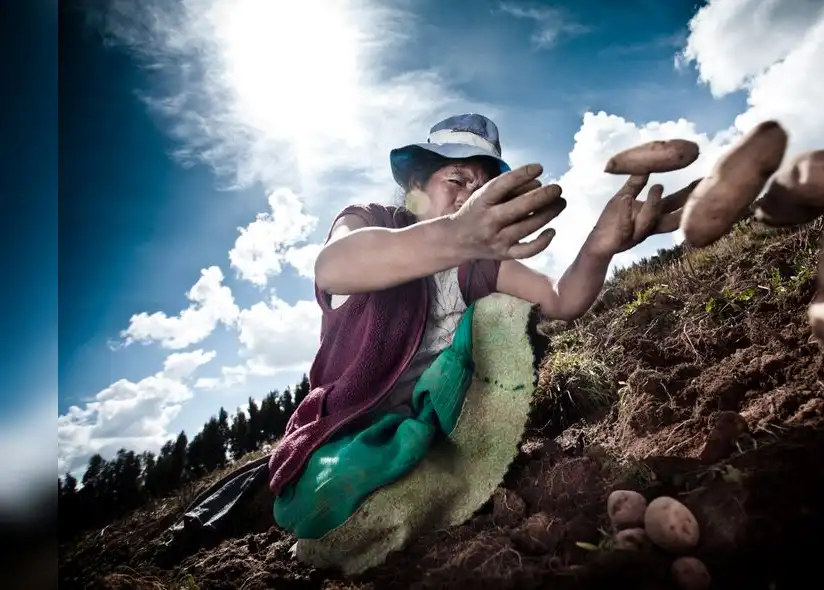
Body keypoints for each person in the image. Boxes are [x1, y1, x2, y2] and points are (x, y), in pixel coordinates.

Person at [268, 113, 679, 573]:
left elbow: (561, 299)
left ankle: (467, 469)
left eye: (479, 188)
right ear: (417, 183)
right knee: (334, 494)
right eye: (456, 178)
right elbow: (334, 266)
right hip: (347, 425)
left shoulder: (474, 267)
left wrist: (601, 247)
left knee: (501, 313)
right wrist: (453, 235)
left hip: (431, 426)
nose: (467, 196)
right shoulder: (373, 221)